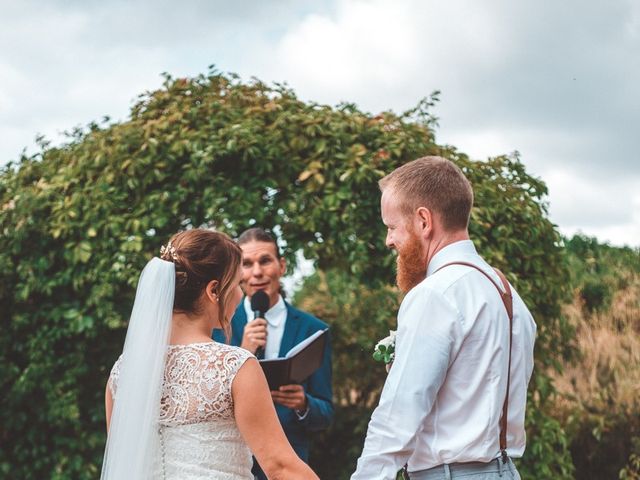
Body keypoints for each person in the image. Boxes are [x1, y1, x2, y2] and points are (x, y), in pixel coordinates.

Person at [351, 157, 536, 480]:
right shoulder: (507, 294)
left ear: (423, 221)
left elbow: (398, 417)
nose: (388, 240)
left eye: (392, 227)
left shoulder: (435, 294)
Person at [102, 228, 319, 480]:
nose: (240, 294)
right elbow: (281, 468)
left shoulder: (122, 372)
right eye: (237, 283)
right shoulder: (235, 366)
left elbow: (124, 462)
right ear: (214, 291)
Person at [213, 227, 334, 480]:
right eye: (247, 264)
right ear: (237, 273)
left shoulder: (314, 330)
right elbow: (208, 399)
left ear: (281, 266)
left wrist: (303, 404)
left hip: (289, 466)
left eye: (265, 261)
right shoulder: (217, 326)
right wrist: (244, 352)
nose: (257, 272)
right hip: (231, 464)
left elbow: (326, 413)